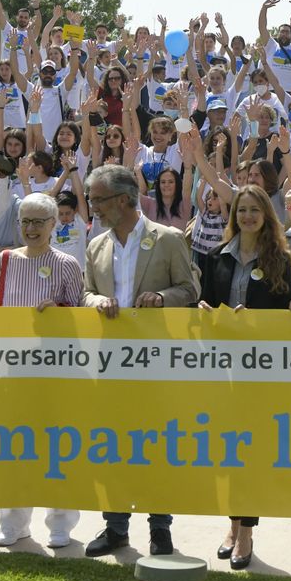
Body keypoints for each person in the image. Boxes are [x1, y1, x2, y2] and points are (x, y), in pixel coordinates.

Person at [80, 164, 200, 556]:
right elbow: (85, 292)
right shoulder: (96, 244)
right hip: (110, 364)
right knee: (111, 446)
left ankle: (159, 527)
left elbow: (190, 287)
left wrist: (164, 297)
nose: (92, 206)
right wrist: (94, 300)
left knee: (156, 448)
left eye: (98, 199)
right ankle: (115, 527)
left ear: (124, 200)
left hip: (155, 363)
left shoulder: (166, 239)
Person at [0, 192, 87, 547]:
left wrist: (60, 310)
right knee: (13, 446)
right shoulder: (6, 259)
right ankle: (13, 522)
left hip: (52, 372)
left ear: (53, 225)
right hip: (10, 370)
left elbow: (79, 315)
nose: (31, 228)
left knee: (57, 447)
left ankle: (60, 523)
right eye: (25, 222)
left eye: (38, 222)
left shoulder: (66, 263)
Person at [198, 184, 291, 571]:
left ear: (266, 216)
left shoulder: (280, 259)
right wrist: (203, 309)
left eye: (255, 210)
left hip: (260, 372)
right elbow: (203, 303)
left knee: (250, 452)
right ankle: (231, 524)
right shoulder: (215, 256)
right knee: (227, 452)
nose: (248, 217)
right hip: (223, 371)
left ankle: (247, 531)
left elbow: (284, 312)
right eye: (242, 211)